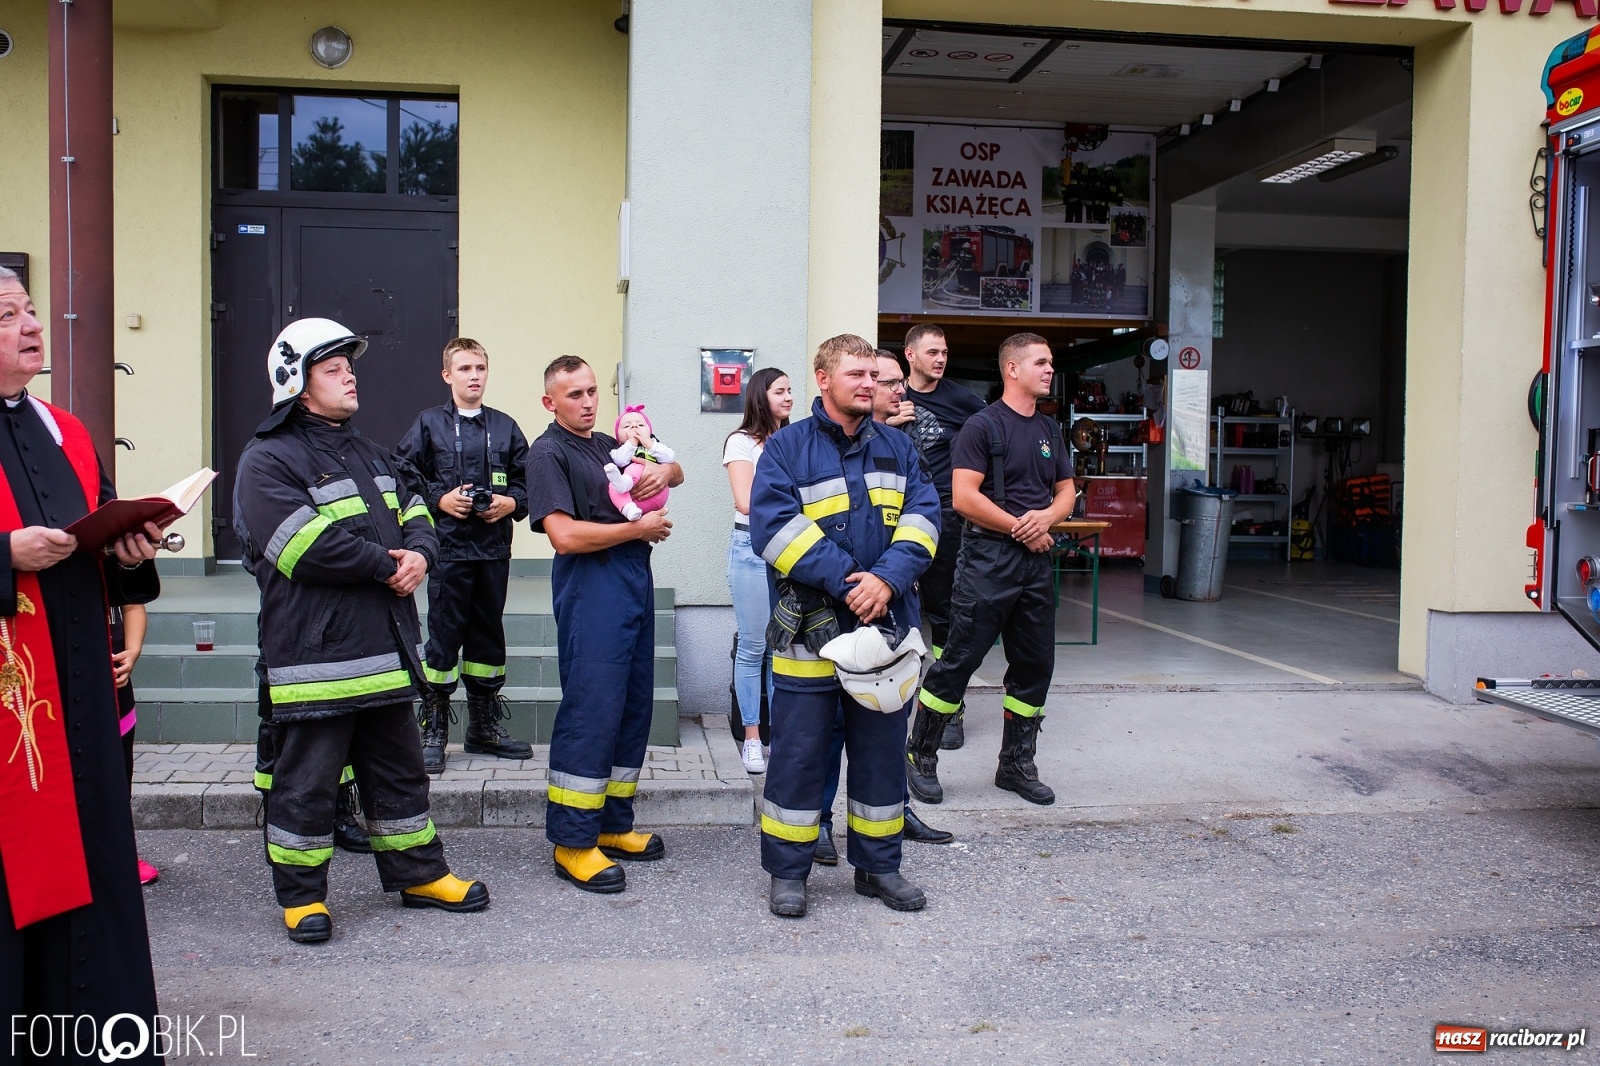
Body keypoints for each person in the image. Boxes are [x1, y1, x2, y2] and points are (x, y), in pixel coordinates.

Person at [235, 317, 488, 944]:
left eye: (350, 365)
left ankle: (420, 874)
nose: (349, 375)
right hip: (315, 660)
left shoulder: (372, 453)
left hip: (385, 652)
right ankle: (302, 898)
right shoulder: (266, 459)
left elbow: (418, 508)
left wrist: (422, 554)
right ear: (296, 383)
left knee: (400, 772)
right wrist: (389, 564)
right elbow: (301, 546)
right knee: (307, 786)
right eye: (332, 368)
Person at [0, 265, 165, 1059]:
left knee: (96, 849)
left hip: (80, 700)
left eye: (31, 310)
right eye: (7, 317)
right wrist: (6, 554)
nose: (31, 326)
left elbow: (98, 545)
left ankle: (99, 1036)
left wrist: (131, 548)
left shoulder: (66, 429)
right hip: (10, 714)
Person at [750, 333, 941, 918]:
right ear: (823, 378)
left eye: (876, 376)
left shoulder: (899, 448)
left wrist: (885, 580)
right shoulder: (785, 449)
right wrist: (854, 582)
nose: (870, 384)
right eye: (856, 374)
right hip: (812, 633)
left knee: (882, 753)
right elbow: (774, 531)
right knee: (800, 756)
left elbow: (926, 518)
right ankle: (789, 872)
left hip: (885, 629)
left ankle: (879, 867)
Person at [526, 355, 682, 893]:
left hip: (631, 584)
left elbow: (673, 469)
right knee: (592, 708)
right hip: (591, 589)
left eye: (593, 391)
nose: (589, 402)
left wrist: (664, 471)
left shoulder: (602, 444)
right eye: (575, 395)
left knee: (632, 705)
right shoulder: (547, 453)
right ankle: (572, 841)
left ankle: (612, 826)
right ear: (550, 402)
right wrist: (635, 533)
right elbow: (564, 535)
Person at [907, 333, 1076, 808]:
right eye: (1040, 362)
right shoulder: (981, 426)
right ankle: (920, 754)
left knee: (1036, 664)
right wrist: (1024, 528)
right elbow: (964, 498)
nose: (1049, 369)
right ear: (1012, 370)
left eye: (1050, 362)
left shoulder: (1048, 430)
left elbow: (1067, 490)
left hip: (1035, 563)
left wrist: (1048, 517)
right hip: (988, 559)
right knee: (959, 659)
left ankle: (1016, 764)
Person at [395, 337, 532, 774]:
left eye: (480, 368)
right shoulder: (428, 424)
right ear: (447, 375)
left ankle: (484, 729)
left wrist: (512, 503)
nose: (474, 376)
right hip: (449, 551)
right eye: (466, 368)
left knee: (488, 637)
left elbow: (529, 482)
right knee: (443, 634)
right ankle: (433, 728)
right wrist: (439, 498)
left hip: (493, 550)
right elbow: (402, 473)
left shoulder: (506, 427)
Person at [902, 323, 985, 748]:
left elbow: (994, 436)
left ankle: (949, 706)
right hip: (893, 517)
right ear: (910, 354)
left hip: (948, 518)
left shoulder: (962, 400)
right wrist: (885, 418)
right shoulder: (889, 395)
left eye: (945, 352)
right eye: (932, 351)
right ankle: (889, 700)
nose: (940, 358)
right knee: (896, 610)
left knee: (948, 613)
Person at [723, 368, 794, 774]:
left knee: (781, 649)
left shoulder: (795, 439)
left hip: (791, 548)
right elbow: (747, 500)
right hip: (751, 548)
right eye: (779, 391)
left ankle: (779, 737)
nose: (788, 397)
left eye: (790, 391)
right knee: (754, 647)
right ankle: (752, 738)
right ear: (759, 396)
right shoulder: (742, 441)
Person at [110, 602, 160, 886]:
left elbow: (132, 605)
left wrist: (133, 651)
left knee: (119, 777)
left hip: (115, 687)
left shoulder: (110, 558)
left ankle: (122, 853)